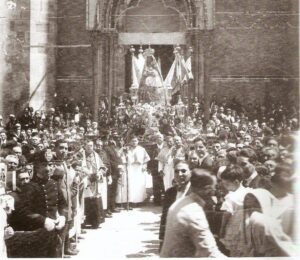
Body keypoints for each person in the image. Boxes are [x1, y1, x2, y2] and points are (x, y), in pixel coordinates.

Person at [160, 168, 225, 257]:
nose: (215, 192)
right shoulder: (194, 213)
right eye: (214, 188)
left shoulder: (182, 202)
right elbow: (209, 252)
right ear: (207, 190)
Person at [219, 165, 252, 256]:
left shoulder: (231, 197)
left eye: (227, 184)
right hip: (247, 227)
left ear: (236, 182)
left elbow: (227, 214)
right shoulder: (249, 192)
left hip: (234, 227)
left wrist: (222, 230)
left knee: (234, 251)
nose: (225, 187)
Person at [159, 160, 191, 250]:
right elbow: (165, 216)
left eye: (183, 171)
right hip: (173, 239)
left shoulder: (196, 192)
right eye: (176, 171)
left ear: (191, 172)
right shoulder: (170, 192)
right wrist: (162, 240)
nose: (179, 174)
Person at [147, 133, 165, 205]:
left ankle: (166, 200)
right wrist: (149, 168)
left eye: (160, 137)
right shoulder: (152, 147)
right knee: (156, 185)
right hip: (155, 168)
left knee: (165, 184)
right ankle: (157, 201)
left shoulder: (166, 146)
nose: (159, 139)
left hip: (165, 168)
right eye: (157, 137)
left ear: (163, 138)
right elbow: (149, 158)